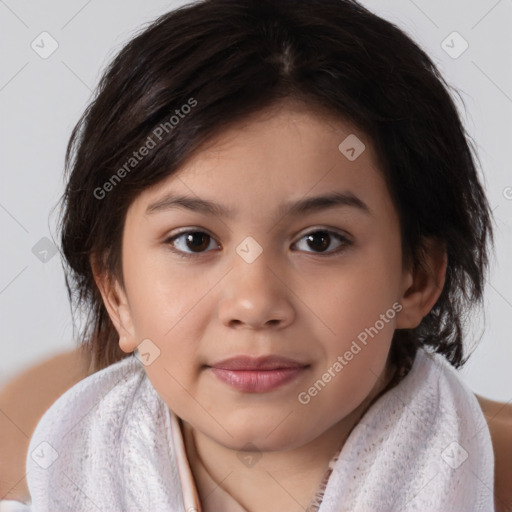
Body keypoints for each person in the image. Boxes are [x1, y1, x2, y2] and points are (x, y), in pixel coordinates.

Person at [0, 0, 509, 510]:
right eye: (194, 240)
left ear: (416, 277)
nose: (254, 304)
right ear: (116, 293)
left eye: (319, 241)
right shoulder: (36, 451)